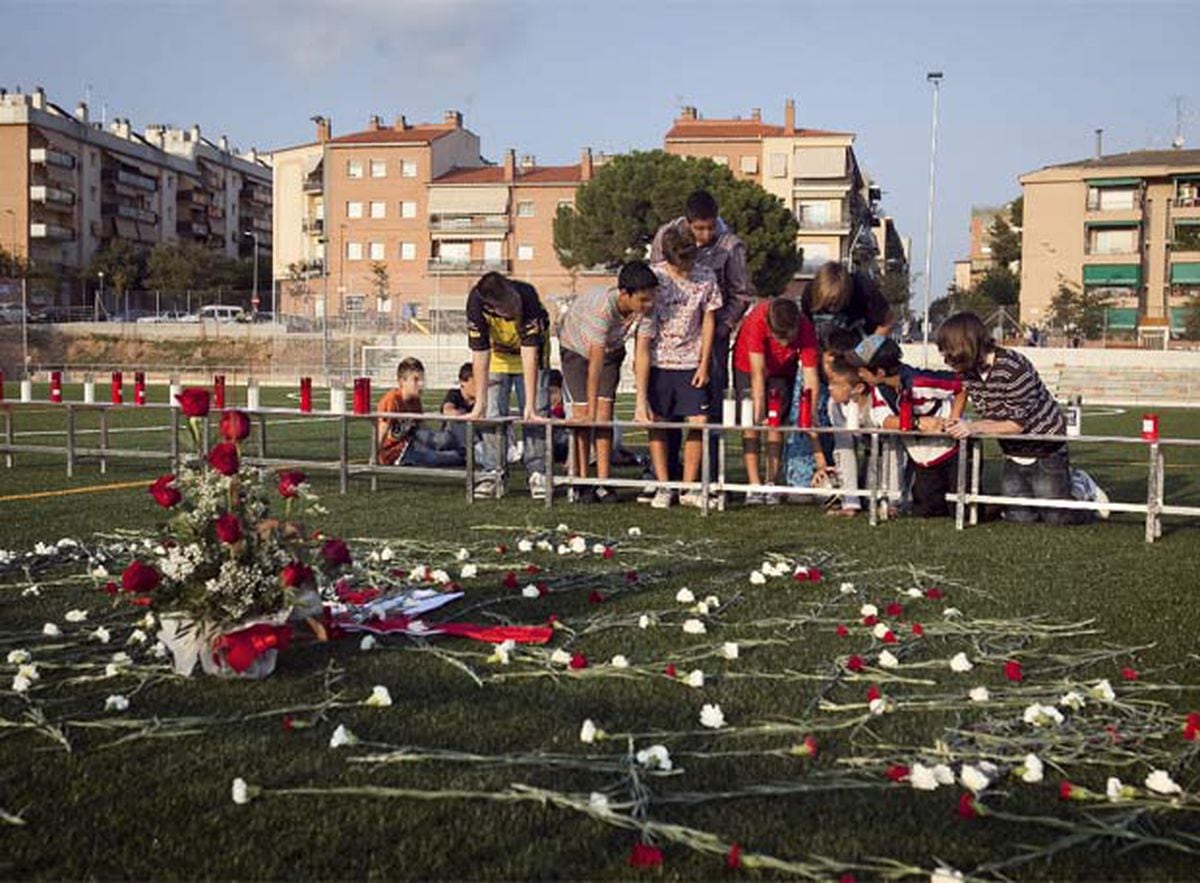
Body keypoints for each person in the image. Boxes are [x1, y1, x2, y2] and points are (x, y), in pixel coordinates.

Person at [937, 312, 1108, 524]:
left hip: (1046, 445)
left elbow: (1015, 425)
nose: (946, 358)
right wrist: (955, 420)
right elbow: (993, 418)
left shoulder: (1013, 367)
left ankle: (1081, 487)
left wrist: (972, 427)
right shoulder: (968, 372)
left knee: (1056, 517)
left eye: (948, 351)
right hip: (1013, 450)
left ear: (966, 344)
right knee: (1020, 517)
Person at [651, 190, 753, 482]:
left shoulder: (731, 246)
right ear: (687, 221)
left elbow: (741, 293)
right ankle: (665, 476)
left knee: (709, 407)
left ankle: (707, 476)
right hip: (668, 339)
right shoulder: (665, 236)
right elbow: (656, 280)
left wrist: (722, 325)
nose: (705, 235)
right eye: (698, 228)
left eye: (709, 227)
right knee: (665, 410)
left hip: (711, 336)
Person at [557, 260, 657, 503]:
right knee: (584, 416)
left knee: (604, 415)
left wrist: (640, 402)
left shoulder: (648, 309)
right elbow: (594, 366)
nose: (648, 304)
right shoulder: (601, 308)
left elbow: (642, 354)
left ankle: (604, 481)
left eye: (651, 298)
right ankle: (581, 480)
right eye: (643, 300)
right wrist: (589, 410)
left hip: (612, 351)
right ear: (624, 294)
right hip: (576, 350)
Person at [635, 227, 720, 509]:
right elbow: (645, 325)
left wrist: (704, 363)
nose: (686, 269)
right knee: (658, 422)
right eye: (680, 264)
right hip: (659, 361)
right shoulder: (655, 277)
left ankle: (687, 487)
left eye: (689, 262)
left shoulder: (706, 276)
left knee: (699, 422)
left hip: (692, 361)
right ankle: (664, 485)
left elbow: (708, 319)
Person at [847, 335, 967, 518]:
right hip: (923, 455)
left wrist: (953, 420)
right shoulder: (879, 389)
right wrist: (918, 423)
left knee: (962, 510)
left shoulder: (920, 381)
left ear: (879, 372)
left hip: (952, 450)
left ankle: (994, 508)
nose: (859, 374)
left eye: (862, 370)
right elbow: (885, 421)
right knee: (926, 511)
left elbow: (962, 385)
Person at [464, 272, 552, 500]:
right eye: (508, 308)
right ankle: (493, 472)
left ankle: (538, 472)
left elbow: (530, 352)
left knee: (536, 415)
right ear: (493, 308)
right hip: (498, 357)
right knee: (491, 413)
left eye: (514, 302)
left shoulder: (527, 294)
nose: (514, 308)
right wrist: (479, 404)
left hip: (532, 355)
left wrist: (530, 405)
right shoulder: (476, 303)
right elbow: (479, 354)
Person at [731, 296, 821, 504]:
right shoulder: (756, 321)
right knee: (751, 424)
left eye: (789, 338)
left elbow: (810, 376)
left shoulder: (805, 326)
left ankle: (771, 482)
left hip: (782, 371)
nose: (785, 343)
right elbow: (757, 373)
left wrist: (812, 412)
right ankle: (754, 485)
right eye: (779, 338)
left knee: (776, 424)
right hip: (747, 367)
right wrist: (758, 412)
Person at [376, 357, 464, 468]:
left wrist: (435, 440)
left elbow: (422, 426)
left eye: (422, 379)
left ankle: (466, 446)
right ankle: (465, 455)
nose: (421, 384)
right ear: (402, 381)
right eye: (416, 380)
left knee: (442, 440)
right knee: (434, 458)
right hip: (397, 453)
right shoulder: (391, 399)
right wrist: (375, 457)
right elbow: (381, 432)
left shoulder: (415, 399)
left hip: (411, 439)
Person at [440, 362, 476, 453]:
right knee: (456, 422)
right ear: (463, 382)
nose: (479, 387)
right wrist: (467, 415)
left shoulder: (480, 399)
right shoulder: (454, 394)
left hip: (472, 437)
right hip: (451, 439)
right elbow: (448, 411)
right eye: (475, 383)